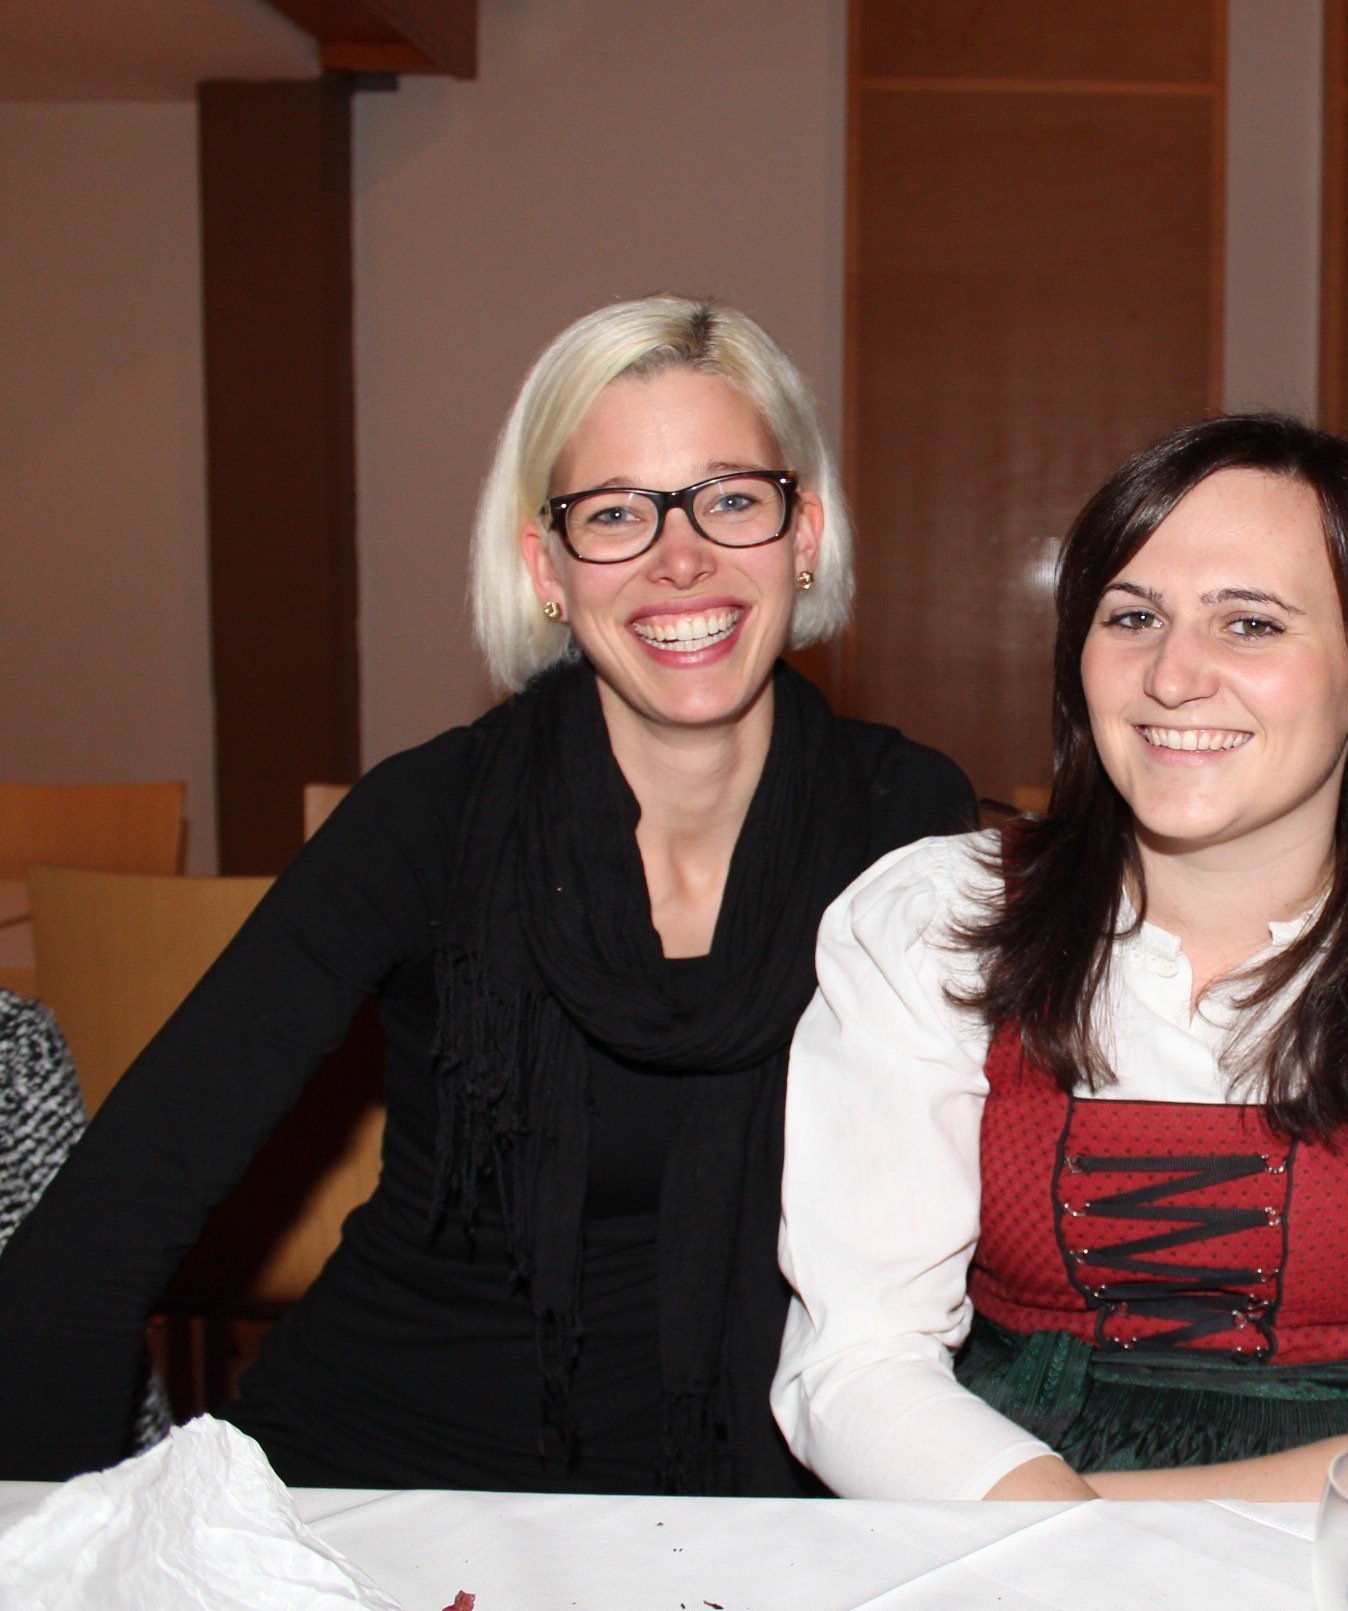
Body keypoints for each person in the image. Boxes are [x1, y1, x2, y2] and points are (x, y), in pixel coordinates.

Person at [0, 296, 975, 1492]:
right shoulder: (430, 820)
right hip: (386, 1474)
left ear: (803, 531)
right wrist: (66, 1564)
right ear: (546, 567)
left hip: (765, 1501)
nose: (683, 558)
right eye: (614, 513)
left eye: (730, 500)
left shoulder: (903, 822)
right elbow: (98, 1236)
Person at [772, 414, 1348, 1502]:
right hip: (984, 1557)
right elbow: (854, 1365)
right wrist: (1054, 1542)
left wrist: (1110, 1528)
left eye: (1250, 623)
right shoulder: (932, 922)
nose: (1174, 675)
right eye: (1133, 616)